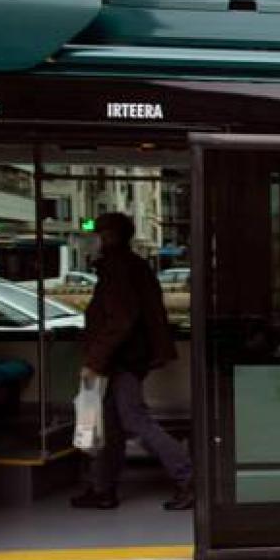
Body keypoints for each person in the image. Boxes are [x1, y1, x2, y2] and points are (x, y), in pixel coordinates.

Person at [73, 211, 193, 511]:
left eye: (95, 233)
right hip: (123, 358)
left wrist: (94, 361)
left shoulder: (117, 268)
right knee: (110, 425)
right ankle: (103, 489)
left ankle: (188, 477)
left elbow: (120, 321)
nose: (91, 240)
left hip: (121, 359)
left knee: (133, 420)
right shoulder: (129, 265)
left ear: (109, 236)